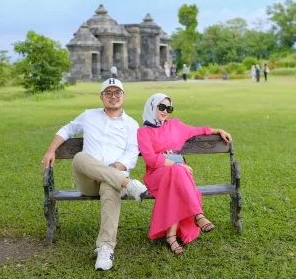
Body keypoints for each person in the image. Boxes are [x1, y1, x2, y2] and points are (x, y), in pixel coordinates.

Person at [41, 78, 147, 271]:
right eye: (108, 93)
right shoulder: (89, 115)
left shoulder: (132, 124)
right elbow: (68, 129)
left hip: (114, 181)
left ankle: (106, 248)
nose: (113, 97)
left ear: (123, 96)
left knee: (110, 184)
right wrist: (50, 150)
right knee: (80, 157)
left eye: (117, 93)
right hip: (89, 182)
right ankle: (129, 184)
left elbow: (131, 155)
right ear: (101, 97)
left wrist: (108, 172)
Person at [137, 93, 232, 255]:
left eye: (169, 108)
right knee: (179, 170)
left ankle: (171, 235)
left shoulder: (175, 125)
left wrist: (218, 130)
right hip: (156, 176)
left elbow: (197, 130)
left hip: (178, 174)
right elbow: (151, 160)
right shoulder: (143, 132)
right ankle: (197, 214)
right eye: (161, 107)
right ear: (152, 106)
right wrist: (175, 163)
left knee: (177, 177)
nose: (165, 111)